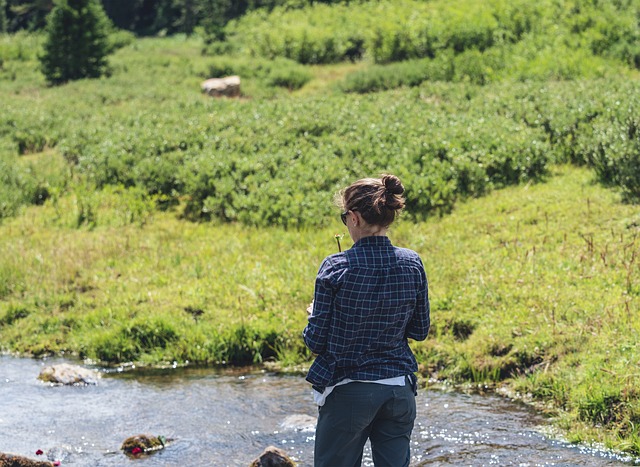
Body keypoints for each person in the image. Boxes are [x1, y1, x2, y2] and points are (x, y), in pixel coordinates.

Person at [303, 174, 430, 467]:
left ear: (355, 218)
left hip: (348, 392)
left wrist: (314, 316)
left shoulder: (335, 267)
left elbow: (315, 341)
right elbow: (420, 331)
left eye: (344, 217)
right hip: (399, 391)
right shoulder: (413, 263)